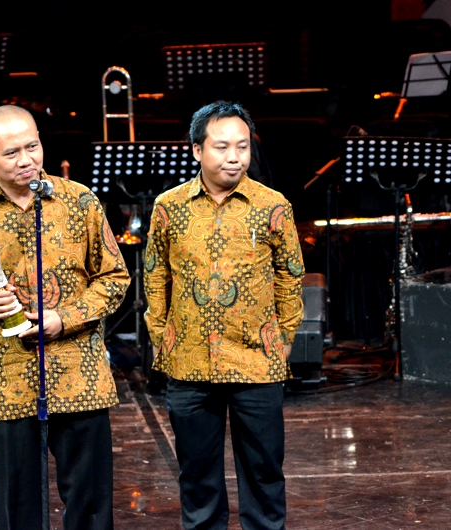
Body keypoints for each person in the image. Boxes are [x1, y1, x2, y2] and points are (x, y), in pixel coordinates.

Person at [0, 104, 130, 530]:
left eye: (33, 147)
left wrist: (65, 317)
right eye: (11, 153)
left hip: (80, 376)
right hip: (7, 380)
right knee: (19, 508)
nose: (26, 160)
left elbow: (115, 277)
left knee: (91, 505)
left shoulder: (79, 200)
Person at [143, 100, 305, 530]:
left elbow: (290, 276)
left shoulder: (272, 205)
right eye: (222, 147)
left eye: (242, 146)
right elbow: (155, 276)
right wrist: (161, 336)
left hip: (257, 362)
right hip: (189, 363)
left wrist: (284, 340)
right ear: (197, 150)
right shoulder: (168, 206)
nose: (234, 157)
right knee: (197, 478)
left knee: (265, 474)